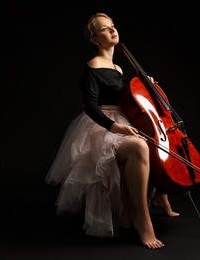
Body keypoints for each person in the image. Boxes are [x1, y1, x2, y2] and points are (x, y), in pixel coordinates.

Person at [45, 12, 179, 250]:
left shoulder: (117, 67)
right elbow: (90, 107)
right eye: (104, 29)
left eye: (113, 26)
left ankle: (159, 195)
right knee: (139, 145)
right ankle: (142, 220)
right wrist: (116, 127)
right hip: (102, 126)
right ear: (95, 39)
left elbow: (124, 98)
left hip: (122, 119)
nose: (112, 30)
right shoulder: (92, 68)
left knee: (150, 141)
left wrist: (143, 85)